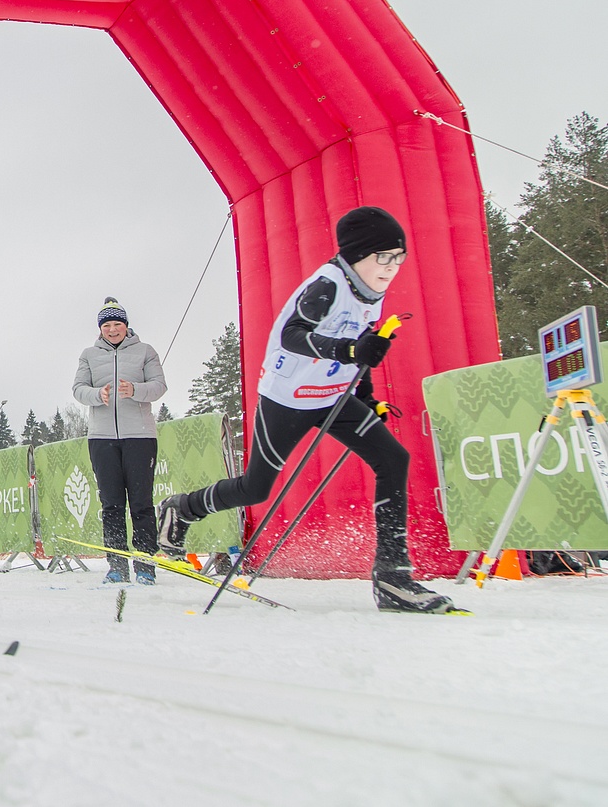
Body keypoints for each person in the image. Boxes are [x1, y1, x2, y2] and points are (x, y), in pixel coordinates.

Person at [156, 206, 456, 613]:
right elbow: (293, 333)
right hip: (288, 399)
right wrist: (350, 349)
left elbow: (360, 348)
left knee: (393, 458)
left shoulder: (372, 291)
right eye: (383, 257)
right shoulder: (328, 285)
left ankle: (393, 577)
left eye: (398, 258)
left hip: (333, 396)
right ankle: (182, 510)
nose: (392, 267)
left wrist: (367, 399)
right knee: (256, 488)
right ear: (356, 256)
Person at [72, 298, 167, 585]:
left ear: (126, 326)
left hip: (139, 436)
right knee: (111, 503)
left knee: (141, 502)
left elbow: (159, 386)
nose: (113, 330)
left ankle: (146, 564)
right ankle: (116, 564)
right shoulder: (88, 355)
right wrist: (96, 395)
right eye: (107, 326)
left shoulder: (145, 351)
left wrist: (135, 389)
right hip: (102, 438)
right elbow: (78, 389)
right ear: (100, 329)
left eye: (117, 324)